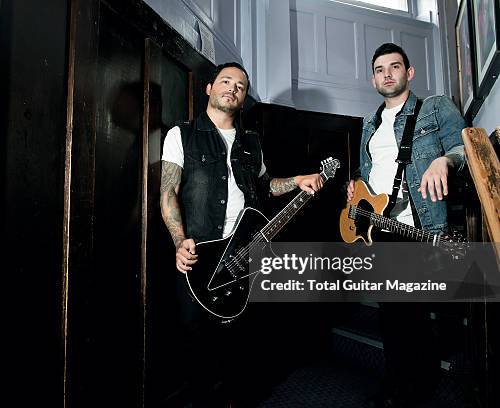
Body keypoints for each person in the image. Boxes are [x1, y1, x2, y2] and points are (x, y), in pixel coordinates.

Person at [160, 62, 323, 407]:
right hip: (199, 260)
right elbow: (168, 192)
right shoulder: (181, 134)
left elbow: (265, 186)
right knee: (197, 354)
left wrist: (297, 181)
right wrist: (178, 240)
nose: (233, 88)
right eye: (226, 81)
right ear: (209, 88)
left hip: (246, 257)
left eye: (240, 86)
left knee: (242, 353)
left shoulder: (252, 142)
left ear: (244, 97)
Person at [346, 43, 466, 407]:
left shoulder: (435, 107)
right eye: (380, 69)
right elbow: (371, 171)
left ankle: (416, 387)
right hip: (377, 227)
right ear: (373, 78)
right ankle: (395, 383)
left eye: (394, 67)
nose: (387, 74)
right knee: (392, 315)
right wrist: (355, 186)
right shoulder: (369, 122)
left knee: (412, 314)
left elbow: (466, 149)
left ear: (409, 73)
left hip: (418, 225)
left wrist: (445, 161)